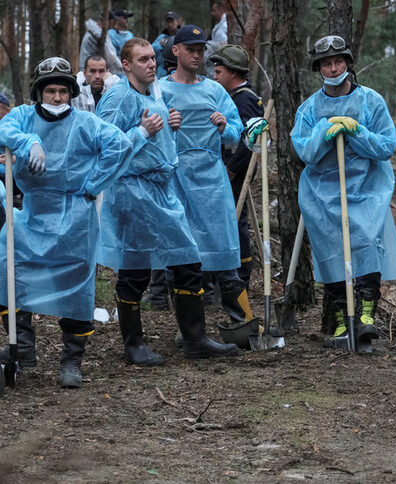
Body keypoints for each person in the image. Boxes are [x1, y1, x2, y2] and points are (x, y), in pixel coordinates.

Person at [0, 56, 131, 389]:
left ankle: (71, 361)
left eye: (63, 91)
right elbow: (3, 130)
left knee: (77, 288)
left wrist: (93, 185)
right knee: (7, 270)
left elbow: (120, 145)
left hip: (76, 216)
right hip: (33, 211)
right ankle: (21, 344)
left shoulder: (85, 122)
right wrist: (28, 141)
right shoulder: (22, 116)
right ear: (39, 93)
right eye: (50, 91)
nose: (57, 98)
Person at [96, 37, 239, 366]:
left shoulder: (153, 91)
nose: (150, 64)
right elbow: (104, 145)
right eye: (142, 59)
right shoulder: (119, 96)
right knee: (135, 269)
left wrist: (168, 130)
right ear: (126, 65)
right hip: (132, 190)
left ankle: (195, 338)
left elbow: (156, 136)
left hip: (161, 188)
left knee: (188, 260)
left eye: (152, 58)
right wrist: (142, 132)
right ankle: (134, 344)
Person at [291, 35, 396, 348]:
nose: (332, 67)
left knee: (367, 243)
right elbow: (304, 151)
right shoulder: (309, 108)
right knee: (331, 253)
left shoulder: (371, 101)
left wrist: (357, 130)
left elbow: (386, 146)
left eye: (338, 61)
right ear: (319, 68)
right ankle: (342, 323)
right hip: (322, 192)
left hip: (366, 188)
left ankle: (366, 316)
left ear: (348, 63)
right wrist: (324, 130)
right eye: (326, 63)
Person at [159, 27, 254, 336]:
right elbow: (149, 133)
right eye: (191, 48)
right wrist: (167, 128)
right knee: (182, 255)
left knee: (225, 249)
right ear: (176, 51)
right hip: (177, 179)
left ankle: (242, 324)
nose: (197, 54)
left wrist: (224, 125)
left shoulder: (215, 91)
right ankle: (189, 328)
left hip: (212, 180)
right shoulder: (161, 90)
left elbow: (238, 132)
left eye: (200, 49)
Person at [210, 44, 264, 286]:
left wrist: (232, 168)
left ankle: (240, 275)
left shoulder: (246, 99)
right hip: (227, 168)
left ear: (233, 72)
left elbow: (248, 140)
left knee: (236, 220)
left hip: (235, 170)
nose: (214, 76)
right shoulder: (231, 97)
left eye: (219, 72)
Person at [153, 11, 180, 79]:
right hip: (161, 72)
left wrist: (168, 44)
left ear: (177, 22)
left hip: (178, 71)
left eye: (172, 21)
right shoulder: (162, 37)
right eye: (168, 22)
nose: (170, 24)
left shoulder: (182, 35)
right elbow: (152, 48)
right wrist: (161, 45)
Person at [204, 1, 229, 77]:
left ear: (220, 10)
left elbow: (223, 45)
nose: (212, 13)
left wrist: (208, 44)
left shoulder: (224, 25)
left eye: (214, 11)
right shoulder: (219, 25)